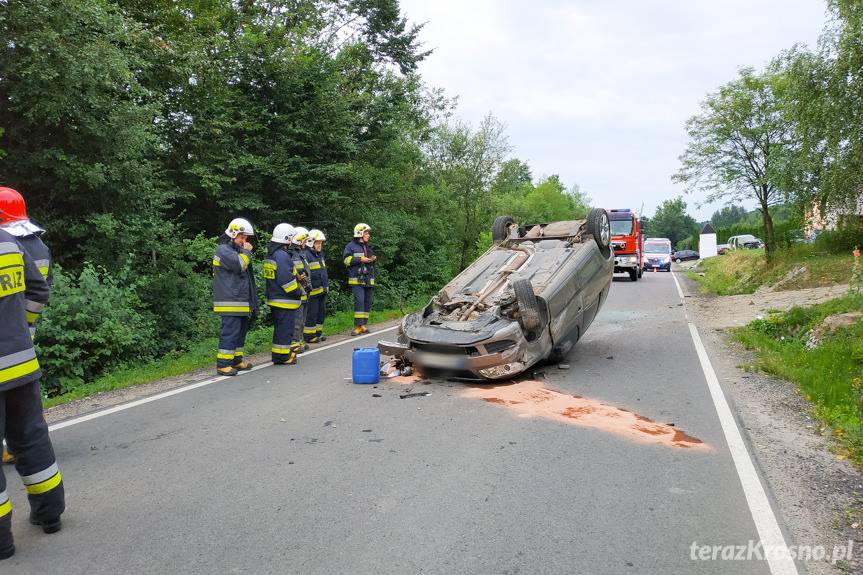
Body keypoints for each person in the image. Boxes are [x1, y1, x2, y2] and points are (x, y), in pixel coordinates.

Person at [0, 225, 64, 560]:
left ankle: (3, 543)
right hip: (21, 363)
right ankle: (50, 515)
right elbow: (38, 288)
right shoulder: (7, 241)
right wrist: (22, 329)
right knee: (31, 438)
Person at [0, 188, 53, 466]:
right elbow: (42, 289)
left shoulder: (8, 242)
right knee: (25, 397)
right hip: (22, 336)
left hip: (7, 334)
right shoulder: (38, 245)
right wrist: (28, 323)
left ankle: (10, 446)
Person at [213, 218, 258, 376]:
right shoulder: (223, 250)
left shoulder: (236, 250)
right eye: (242, 237)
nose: (244, 241)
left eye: (246, 238)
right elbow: (239, 265)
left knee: (240, 332)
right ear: (232, 234)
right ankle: (223, 364)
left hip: (240, 300)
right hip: (230, 301)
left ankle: (236, 360)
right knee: (230, 333)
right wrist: (247, 251)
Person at [264, 224, 303, 365]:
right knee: (285, 329)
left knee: (280, 329)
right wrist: (299, 291)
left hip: (275, 297)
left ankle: (279, 354)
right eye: (291, 238)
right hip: (284, 300)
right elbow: (286, 280)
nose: (292, 241)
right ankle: (283, 357)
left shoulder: (271, 254)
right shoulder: (282, 255)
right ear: (286, 238)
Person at [343, 223, 376, 336]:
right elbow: (346, 260)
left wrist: (372, 259)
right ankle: (357, 326)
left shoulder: (368, 246)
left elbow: (370, 260)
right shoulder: (350, 246)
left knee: (368, 302)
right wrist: (360, 259)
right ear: (360, 233)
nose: (368, 235)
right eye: (366, 233)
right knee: (360, 301)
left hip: (368, 278)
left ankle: (363, 325)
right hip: (357, 279)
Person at [288, 227, 311, 353]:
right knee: (297, 319)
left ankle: (299, 340)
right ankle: (294, 343)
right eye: (304, 240)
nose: (305, 243)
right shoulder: (293, 255)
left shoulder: (301, 254)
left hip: (304, 290)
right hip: (298, 291)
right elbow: (294, 272)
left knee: (302, 319)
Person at [302, 229, 327, 344]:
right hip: (312, 292)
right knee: (311, 314)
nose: (320, 245)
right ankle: (309, 335)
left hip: (321, 290)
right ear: (310, 243)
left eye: (321, 243)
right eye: (317, 243)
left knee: (320, 313)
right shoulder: (306, 255)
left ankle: (318, 333)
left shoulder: (319, 255)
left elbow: (322, 272)